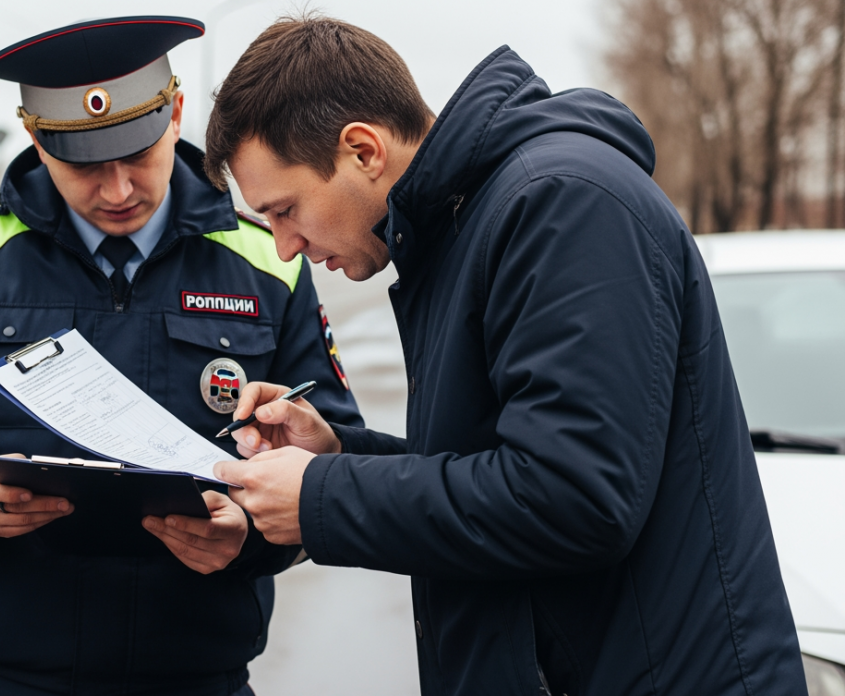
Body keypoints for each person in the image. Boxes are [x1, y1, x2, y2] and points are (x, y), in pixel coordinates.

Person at [204, 15, 807, 696]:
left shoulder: (561, 205)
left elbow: (575, 498)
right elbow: (496, 472)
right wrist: (340, 459)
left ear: (363, 151)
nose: (284, 247)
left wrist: (321, 499)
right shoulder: (465, 226)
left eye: (284, 210)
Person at [0, 16, 362, 696]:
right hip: (0, 677)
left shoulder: (269, 266)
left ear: (174, 114)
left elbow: (331, 466)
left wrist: (251, 539)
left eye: (137, 155)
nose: (117, 191)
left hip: (199, 678)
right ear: (34, 136)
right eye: (84, 163)